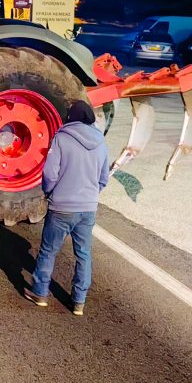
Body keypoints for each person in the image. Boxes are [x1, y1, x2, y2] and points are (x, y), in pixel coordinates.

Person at [23, 100, 110, 315]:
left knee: (48, 251)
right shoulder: (101, 142)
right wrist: (90, 195)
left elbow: (50, 174)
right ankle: (79, 301)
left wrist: (49, 192)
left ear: (71, 117)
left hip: (61, 206)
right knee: (83, 254)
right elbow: (103, 178)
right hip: (88, 209)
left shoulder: (61, 138)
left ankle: (40, 293)